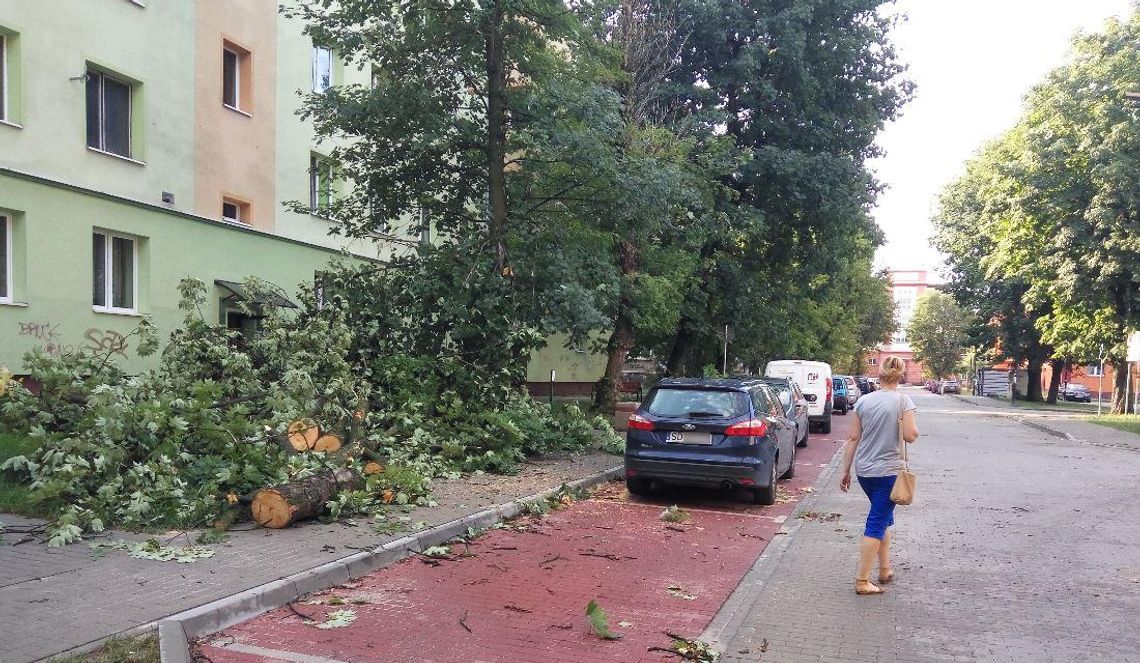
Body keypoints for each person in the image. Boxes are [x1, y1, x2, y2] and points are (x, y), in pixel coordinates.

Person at [839, 356, 920, 595]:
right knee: (876, 522)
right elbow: (910, 436)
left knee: (882, 516)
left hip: (864, 471)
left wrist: (845, 470)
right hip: (889, 472)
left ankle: (884, 570)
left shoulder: (863, 401)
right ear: (901, 375)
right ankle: (862, 581)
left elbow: (853, 438)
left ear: (881, 375)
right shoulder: (903, 401)